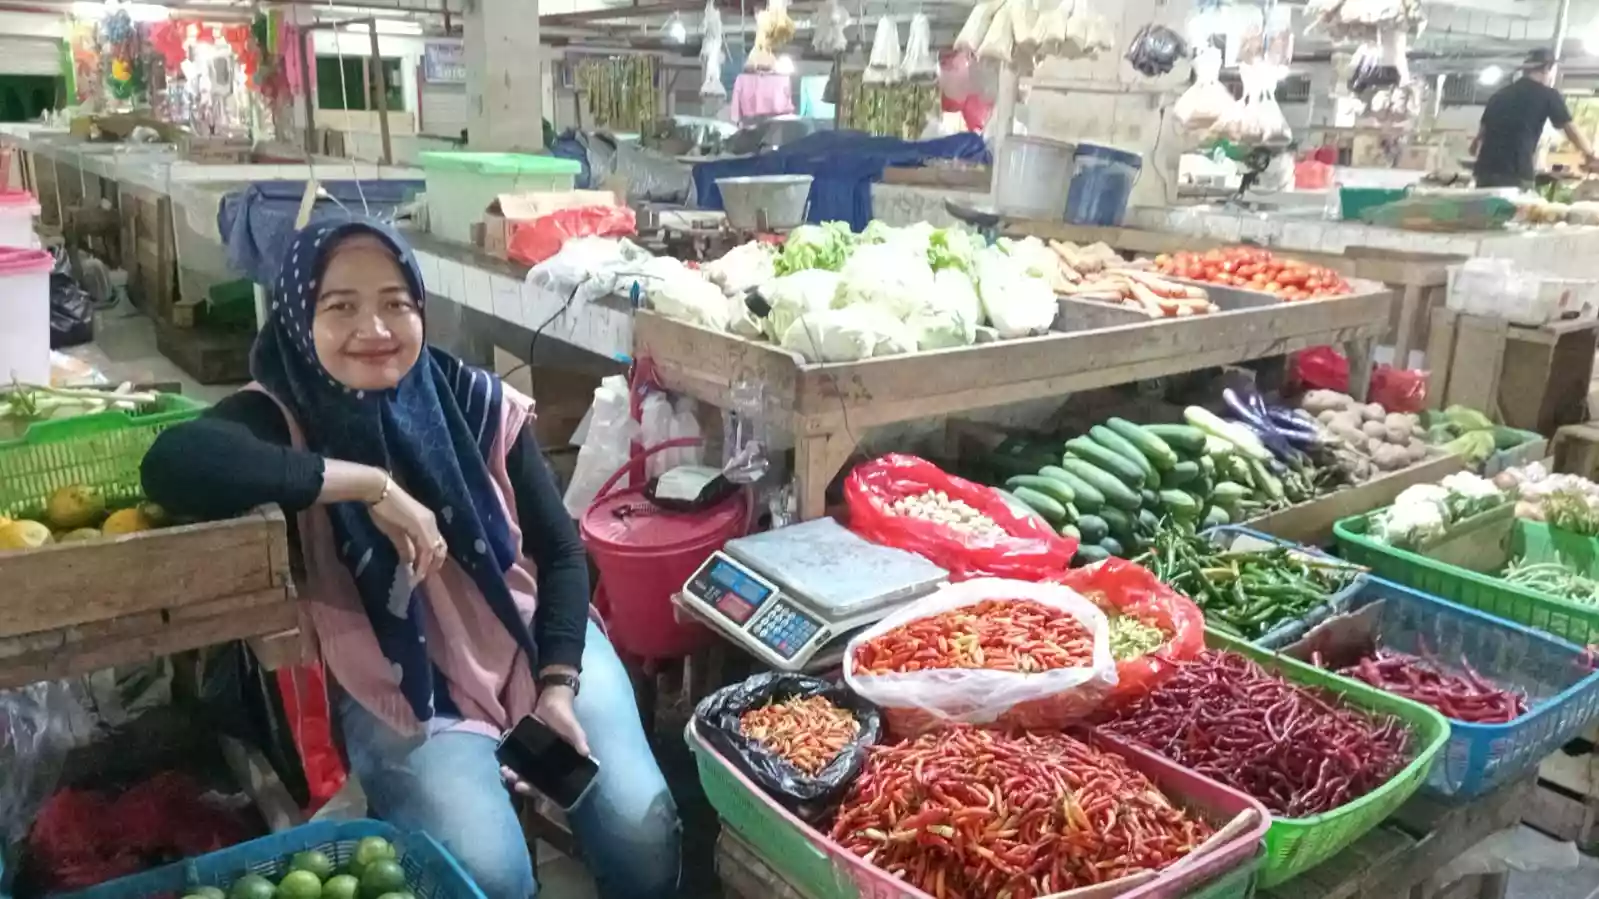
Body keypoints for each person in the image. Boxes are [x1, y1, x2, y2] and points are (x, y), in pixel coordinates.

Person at [140, 219, 680, 899]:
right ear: (298, 317)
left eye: (396, 302)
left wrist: (556, 687)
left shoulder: (475, 403)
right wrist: (368, 483)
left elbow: (562, 553)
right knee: (488, 876)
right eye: (339, 306)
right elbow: (171, 464)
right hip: (399, 685)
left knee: (641, 829)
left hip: (530, 644)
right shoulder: (282, 413)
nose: (375, 327)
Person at [1472, 48, 1599, 188]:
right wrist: (1590, 155)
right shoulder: (1548, 95)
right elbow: (1570, 129)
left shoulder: (1499, 95)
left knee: (1483, 209)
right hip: (1515, 172)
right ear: (1546, 69)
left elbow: (1477, 140)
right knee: (1519, 210)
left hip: (1484, 172)